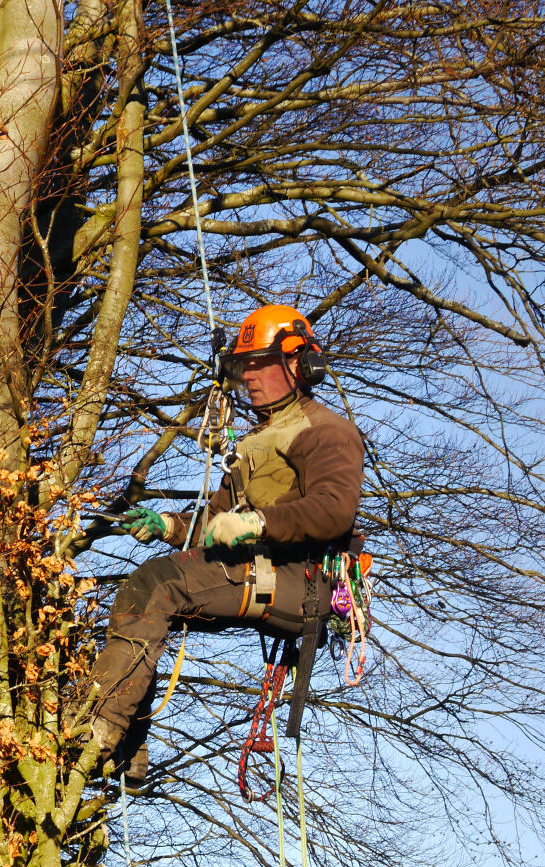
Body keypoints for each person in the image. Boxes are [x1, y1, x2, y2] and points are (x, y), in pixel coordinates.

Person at [86, 303, 365, 782]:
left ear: (297, 363)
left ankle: (96, 733)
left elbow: (333, 510)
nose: (249, 376)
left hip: (303, 580)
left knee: (158, 584)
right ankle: (127, 740)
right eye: (243, 366)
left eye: (258, 363)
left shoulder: (324, 431)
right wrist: (169, 526)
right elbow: (218, 525)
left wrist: (259, 524)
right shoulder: (258, 441)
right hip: (259, 568)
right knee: (140, 597)